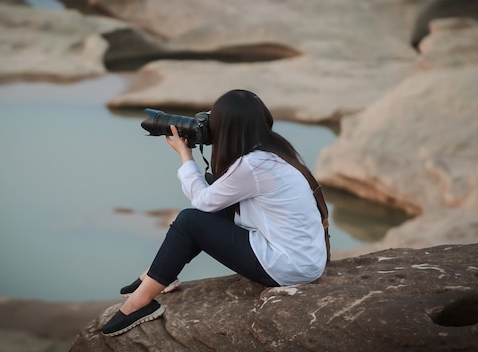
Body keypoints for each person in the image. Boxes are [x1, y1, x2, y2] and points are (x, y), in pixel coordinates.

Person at [101, 89, 329, 337]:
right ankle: (159, 273)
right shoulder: (276, 149)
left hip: (289, 267)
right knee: (212, 212)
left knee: (190, 221)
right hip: (306, 258)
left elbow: (203, 203)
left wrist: (185, 156)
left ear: (229, 128)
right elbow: (221, 200)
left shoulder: (252, 165)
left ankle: (138, 304)